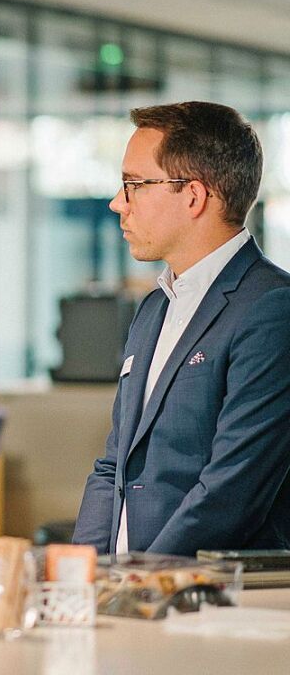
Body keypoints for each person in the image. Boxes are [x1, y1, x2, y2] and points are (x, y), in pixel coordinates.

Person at [73, 101, 290, 556]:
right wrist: (86, 573)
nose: (118, 203)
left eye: (133, 185)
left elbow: (231, 491)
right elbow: (114, 465)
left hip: (211, 601)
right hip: (129, 597)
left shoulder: (272, 309)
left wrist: (142, 582)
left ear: (193, 196)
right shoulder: (154, 307)